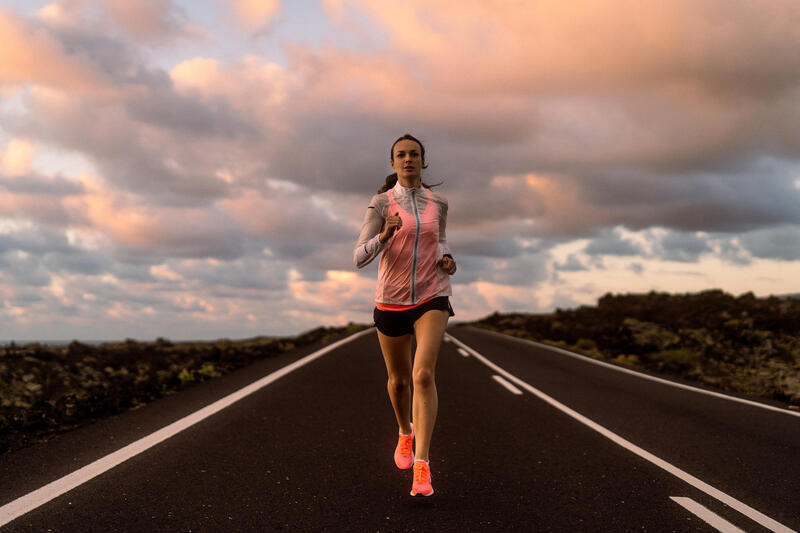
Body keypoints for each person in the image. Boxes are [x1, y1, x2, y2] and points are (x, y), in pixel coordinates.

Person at [354, 133, 457, 497]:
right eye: (402, 154)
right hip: (391, 300)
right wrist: (384, 235)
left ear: (423, 160)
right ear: (393, 162)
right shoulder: (381, 203)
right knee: (399, 382)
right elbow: (358, 257)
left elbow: (440, 241)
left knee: (423, 375)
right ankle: (404, 431)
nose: (408, 159)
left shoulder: (438, 203)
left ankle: (422, 465)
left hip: (433, 293)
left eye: (414, 154)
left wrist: (447, 259)